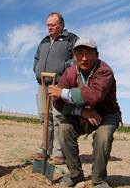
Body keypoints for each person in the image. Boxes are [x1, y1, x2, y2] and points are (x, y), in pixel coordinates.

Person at [49, 37, 121, 188]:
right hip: (82, 114)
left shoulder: (104, 70)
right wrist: (81, 111)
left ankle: (98, 179)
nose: (84, 57)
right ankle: (75, 175)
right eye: (80, 53)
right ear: (74, 56)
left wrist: (63, 92)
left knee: (103, 136)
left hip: (107, 114)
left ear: (97, 55)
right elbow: (57, 101)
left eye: (89, 53)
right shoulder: (70, 73)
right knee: (64, 128)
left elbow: (94, 95)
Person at [33, 12, 78, 165]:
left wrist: (64, 69)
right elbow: (37, 57)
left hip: (59, 84)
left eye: (52, 25)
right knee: (44, 118)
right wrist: (36, 69)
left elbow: (78, 58)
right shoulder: (44, 41)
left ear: (62, 25)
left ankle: (59, 153)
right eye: (48, 25)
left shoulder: (71, 38)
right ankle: (44, 149)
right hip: (42, 84)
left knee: (58, 117)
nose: (49, 28)